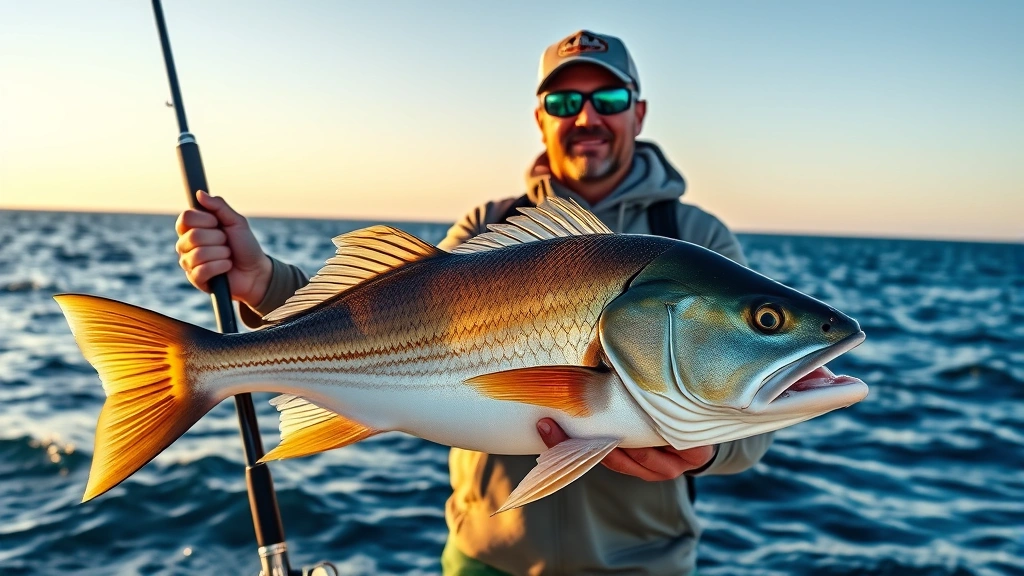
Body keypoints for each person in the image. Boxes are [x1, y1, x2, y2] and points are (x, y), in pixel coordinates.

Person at [175, 29, 772, 576]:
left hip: (642, 566)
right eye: (565, 103)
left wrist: (707, 448)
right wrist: (262, 281)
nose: (586, 117)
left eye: (608, 99)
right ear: (541, 118)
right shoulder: (491, 226)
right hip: (485, 560)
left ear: (638, 112)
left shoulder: (699, 240)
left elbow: (759, 413)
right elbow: (381, 328)